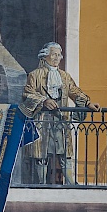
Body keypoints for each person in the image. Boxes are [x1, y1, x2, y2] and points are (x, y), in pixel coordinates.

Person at [20, 43, 99, 184]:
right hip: (42, 121)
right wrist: (44, 101)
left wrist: (88, 103)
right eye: (54, 54)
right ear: (45, 56)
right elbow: (27, 94)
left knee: (65, 154)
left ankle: (70, 182)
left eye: (59, 54)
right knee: (41, 155)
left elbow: (75, 91)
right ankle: (41, 183)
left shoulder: (64, 76)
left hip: (61, 121)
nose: (57, 57)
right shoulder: (35, 75)